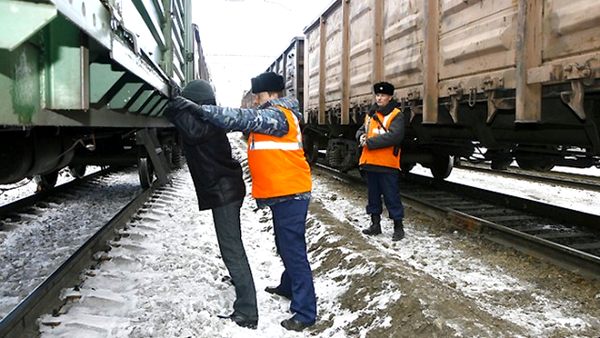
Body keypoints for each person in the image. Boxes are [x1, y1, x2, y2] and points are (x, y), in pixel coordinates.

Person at [169, 72, 317, 332]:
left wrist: (199, 108)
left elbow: (240, 118)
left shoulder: (277, 116)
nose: (256, 101)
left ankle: (305, 312)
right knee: (285, 244)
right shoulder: (273, 116)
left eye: (259, 96)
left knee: (293, 251)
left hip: (292, 192)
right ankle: (288, 286)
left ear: (272, 94)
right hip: (281, 191)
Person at [164, 80, 258, 329]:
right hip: (227, 189)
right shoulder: (209, 119)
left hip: (224, 193)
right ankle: (243, 291)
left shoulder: (204, 124)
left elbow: (190, 131)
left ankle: (248, 312)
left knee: (232, 250)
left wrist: (172, 104)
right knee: (231, 248)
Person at [355, 81, 406, 241]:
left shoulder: (396, 114)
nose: (379, 98)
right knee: (373, 196)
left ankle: (398, 227)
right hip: (370, 162)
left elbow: (395, 136)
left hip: (387, 164)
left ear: (390, 97)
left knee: (392, 196)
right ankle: (375, 225)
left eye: (382, 95)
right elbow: (361, 130)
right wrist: (361, 136)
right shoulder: (370, 114)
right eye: (377, 95)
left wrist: (369, 142)